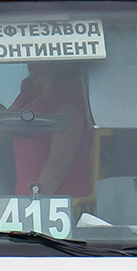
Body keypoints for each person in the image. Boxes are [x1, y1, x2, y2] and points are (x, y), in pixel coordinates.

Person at [7, 61, 92, 197]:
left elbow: (57, 166)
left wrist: (32, 205)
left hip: (62, 207)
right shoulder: (30, 94)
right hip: (24, 203)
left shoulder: (70, 102)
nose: (29, 57)